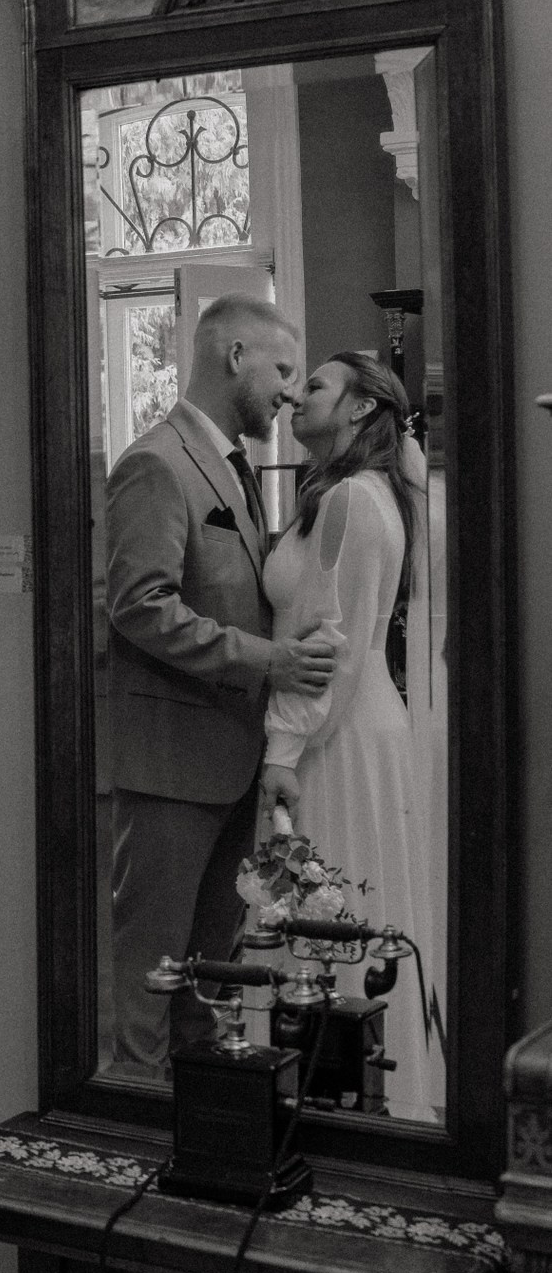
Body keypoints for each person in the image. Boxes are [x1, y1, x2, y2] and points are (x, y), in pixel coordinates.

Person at [105, 295, 336, 1073]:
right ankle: (134, 1125)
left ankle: (200, 1127)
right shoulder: (154, 462)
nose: (289, 393)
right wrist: (266, 660)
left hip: (231, 763)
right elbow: (139, 606)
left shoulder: (235, 468)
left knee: (206, 983)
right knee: (150, 979)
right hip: (170, 766)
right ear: (235, 356)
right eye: (282, 370)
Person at [262, 351, 440, 1119]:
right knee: (334, 915)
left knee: (330, 915)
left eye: (315, 386)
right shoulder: (356, 493)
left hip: (335, 733)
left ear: (362, 406)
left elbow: (326, 643)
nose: (295, 397)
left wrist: (283, 747)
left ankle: (336, 1096)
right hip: (351, 722)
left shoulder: (350, 501)